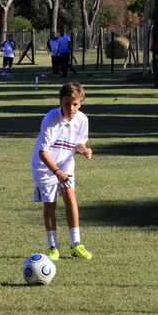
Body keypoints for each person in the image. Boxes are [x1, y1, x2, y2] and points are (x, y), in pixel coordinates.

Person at [31, 81, 93, 261]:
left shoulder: (82, 120)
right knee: (50, 203)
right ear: (60, 101)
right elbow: (43, 152)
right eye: (67, 104)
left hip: (65, 163)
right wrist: (56, 172)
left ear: (80, 103)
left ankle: (76, 244)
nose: (71, 108)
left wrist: (84, 150)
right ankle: (53, 247)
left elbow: (78, 142)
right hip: (45, 165)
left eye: (75, 104)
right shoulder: (50, 119)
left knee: (70, 197)